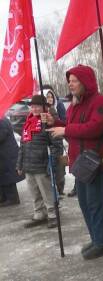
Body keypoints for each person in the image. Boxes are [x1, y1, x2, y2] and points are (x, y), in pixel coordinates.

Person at [45, 64, 103, 260]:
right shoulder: (76, 103)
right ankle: (96, 237)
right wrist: (55, 123)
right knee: (84, 203)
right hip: (79, 164)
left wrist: (65, 130)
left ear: (85, 82)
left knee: (96, 203)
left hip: (93, 164)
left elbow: (95, 128)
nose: (70, 84)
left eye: (74, 81)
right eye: (70, 81)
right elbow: (71, 126)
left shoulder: (99, 101)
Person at [16, 95, 63, 228]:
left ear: (44, 107)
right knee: (34, 193)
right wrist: (19, 164)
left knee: (47, 192)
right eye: (32, 106)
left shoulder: (48, 122)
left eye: (37, 106)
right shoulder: (27, 123)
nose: (34, 108)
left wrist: (51, 162)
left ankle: (53, 214)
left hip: (43, 166)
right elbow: (22, 146)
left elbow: (57, 145)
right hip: (28, 166)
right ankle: (39, 214)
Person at [44, 88, 67, 196]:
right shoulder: (43, 111)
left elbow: (60, 124)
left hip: (56, 144)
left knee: (59, 169)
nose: (49, 99)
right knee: (53, 170)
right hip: (49, 146)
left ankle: (59, 190)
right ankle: (56, 192)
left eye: (51, 97)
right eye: (47, 97)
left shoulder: (54, 109)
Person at [0, 116, 23, 207]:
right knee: (3, 176)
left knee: (8, 176)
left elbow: (1, 135)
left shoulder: (2, 120)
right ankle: (4, 197)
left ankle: (12, 199)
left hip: (7, 154)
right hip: (4, 154)